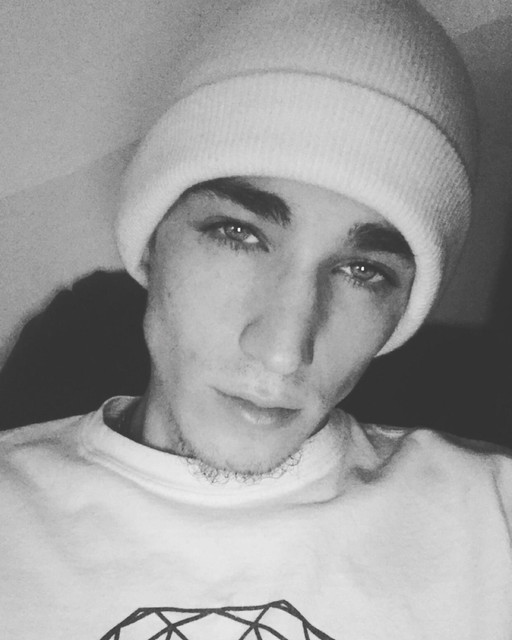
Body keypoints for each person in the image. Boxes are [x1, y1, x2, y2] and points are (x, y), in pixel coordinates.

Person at [1, 0, 511, 638]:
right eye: (238, 234)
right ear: (151, 241)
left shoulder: (493, 520)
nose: (282, 350)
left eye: (363, 271)